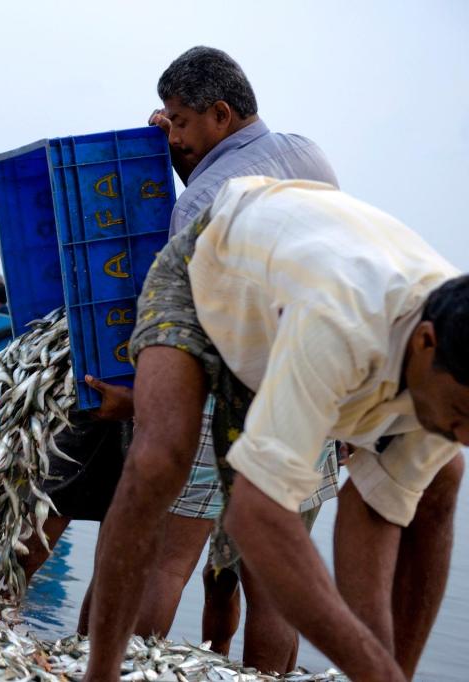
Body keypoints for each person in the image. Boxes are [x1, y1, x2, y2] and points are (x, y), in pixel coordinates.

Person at [84, 176, 467, 681]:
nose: (463, 433)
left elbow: (373, 512)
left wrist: (383, 673)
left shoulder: (450, 372)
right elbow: (255, 514)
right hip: (215, 262)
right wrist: (373, 668)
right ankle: (101, 671)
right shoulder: (342, 323)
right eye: (462, 415)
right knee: (160, 458)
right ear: (424, 343)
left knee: (445, 474)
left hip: (290, 309)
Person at [135, 46, 341, 671]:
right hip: (306, 399)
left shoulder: (200, 203)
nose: (170, 131)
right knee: (273, 587)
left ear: (220, 114)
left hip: (224, 389)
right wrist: (181, 155)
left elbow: (187, 324)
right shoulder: (307, 152)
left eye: (179, 121)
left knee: (167, 563)